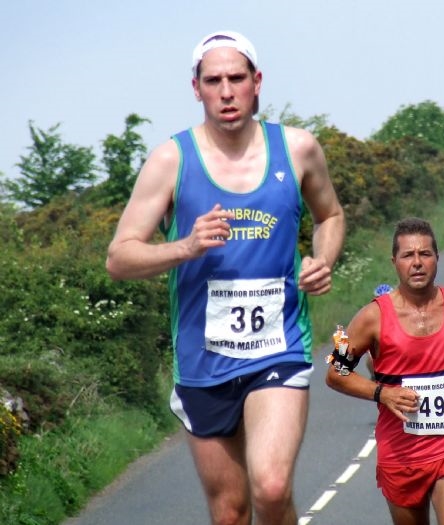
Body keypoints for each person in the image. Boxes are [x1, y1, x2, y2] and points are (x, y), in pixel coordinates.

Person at [105, 30, 345, 525]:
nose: (227, 91)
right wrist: (186, 246)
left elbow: (331, 215)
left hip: (278, 346)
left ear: (258, 82)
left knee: (272, 488)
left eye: (237, 78)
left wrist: (322, 259)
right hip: (203, 358)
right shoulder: (171, 160)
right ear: (196, 88)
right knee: (231, 512)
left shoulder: (297, 149)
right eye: (213, 81)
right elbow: (120, 258)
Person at [326, 217, 444, 525]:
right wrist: (382, 393)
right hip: (401, 453)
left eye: (425, 254)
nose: (417, 262)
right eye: (408, 255)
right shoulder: (370, 317)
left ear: (437, 258)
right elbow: (335, 373)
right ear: (394, 262)